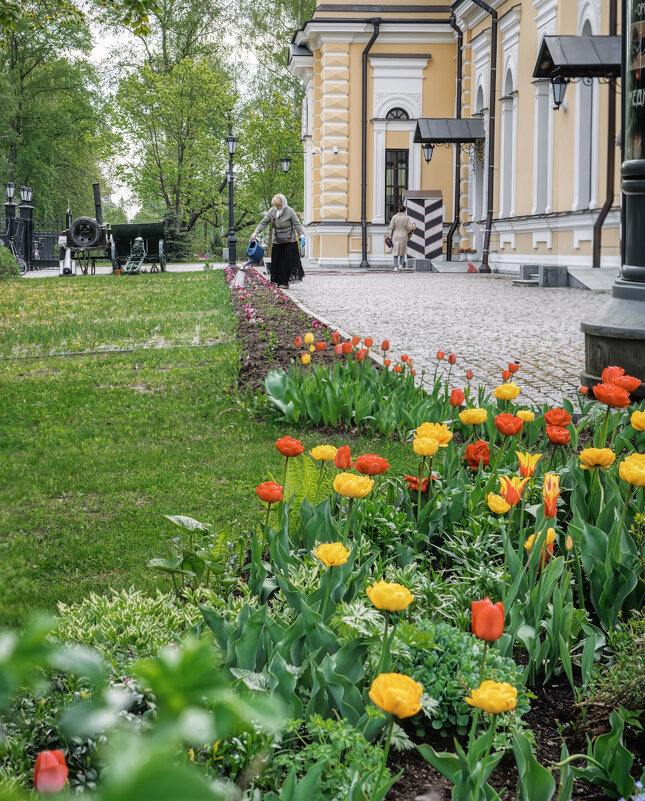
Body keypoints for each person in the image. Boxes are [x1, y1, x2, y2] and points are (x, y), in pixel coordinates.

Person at [252, 194, 306, 289]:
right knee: (277, 261)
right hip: (277, 240)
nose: (276, 207)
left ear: (283, 203)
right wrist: (256, 232)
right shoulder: (272, 211)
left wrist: (302, 236)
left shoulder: (290, 211)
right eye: (275, 205)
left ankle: (285, 283)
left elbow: (297, 224)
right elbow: (264, 222)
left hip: (289, 241)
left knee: (286, 262)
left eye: (278, 205)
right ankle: (277, 281)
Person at [388, 204, 416, 272]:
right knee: (402, 250)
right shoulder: (406, 218)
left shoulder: (394, 217)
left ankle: (395, 266)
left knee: (395, 250)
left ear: (398, 210)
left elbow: (391, 227)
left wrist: (390, 235)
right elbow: (409, 227)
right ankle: (401, 265)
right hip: (403, 234)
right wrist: (413, 226)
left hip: (396, 234)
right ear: (404, 211)